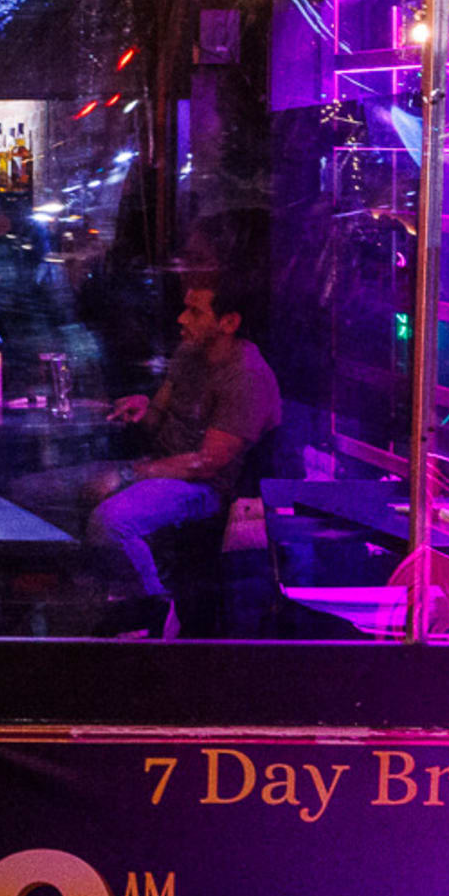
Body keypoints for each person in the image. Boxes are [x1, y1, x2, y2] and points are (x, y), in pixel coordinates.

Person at [88, 273, 289, 638]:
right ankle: (98, 603)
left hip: (206, 488)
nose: (182, 319)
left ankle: (153, 609)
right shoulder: (188, 355)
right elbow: (157, 418)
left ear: (228, 322)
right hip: (160, 466)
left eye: (195, 312)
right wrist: (141, 407)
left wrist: (131, 475)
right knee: (34, 492)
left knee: (112, 522)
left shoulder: (248, 376)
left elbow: (208, 462)